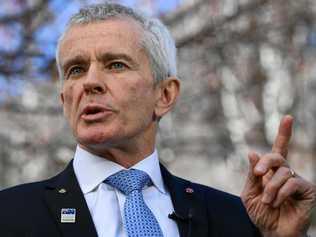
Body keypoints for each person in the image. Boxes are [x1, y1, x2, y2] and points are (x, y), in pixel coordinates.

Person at [0, 2, 315, 237]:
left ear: (165, 95)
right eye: (76, 70)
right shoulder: (9, 214)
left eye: (116, 64)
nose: (90, 82)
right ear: (63, 99)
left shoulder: (235, 218)